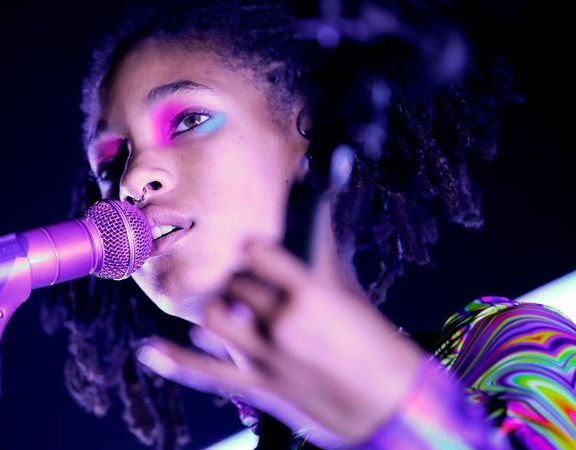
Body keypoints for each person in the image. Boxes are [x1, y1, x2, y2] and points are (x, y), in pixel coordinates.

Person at [42, 0, 576, 448]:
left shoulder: (515, 348)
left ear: (313, 140)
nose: (134, 178)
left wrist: (396, 418)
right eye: (109, 166)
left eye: (188, 120)